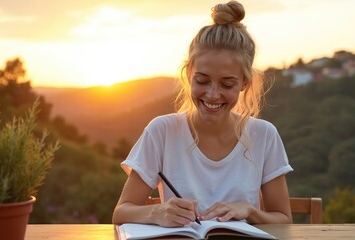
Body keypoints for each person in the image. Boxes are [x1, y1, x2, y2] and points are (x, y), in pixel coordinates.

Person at [112, 0, 293, 227]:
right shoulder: (162, 131)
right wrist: (156, 213)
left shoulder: (264, 135)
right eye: (202, 80)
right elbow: (121, 212)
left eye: (227, 85)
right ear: (189, 75)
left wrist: (249, 211)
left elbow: (284, 220)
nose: (212, 94)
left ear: (244, 84)